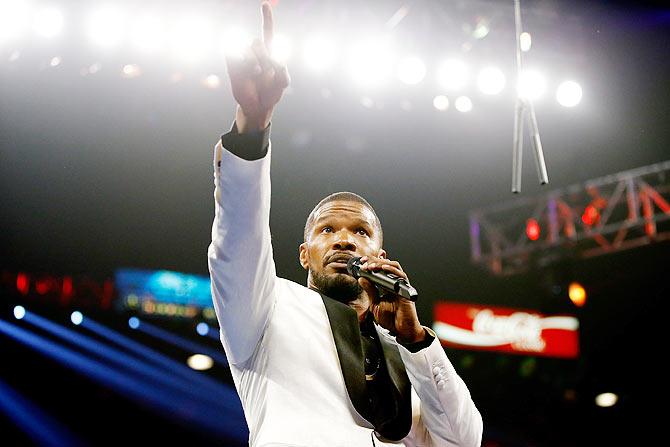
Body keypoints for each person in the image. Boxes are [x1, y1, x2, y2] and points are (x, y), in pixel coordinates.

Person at [208, 3, 483, 446]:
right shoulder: (268, 312)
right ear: (304, 254)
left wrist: (415, 341)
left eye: (360, 232)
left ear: (381, 254)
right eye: (327, 230)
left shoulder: (405, 353)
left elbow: (463, 441)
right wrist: (252, 128)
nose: (344, 241)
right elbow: (238, 241)